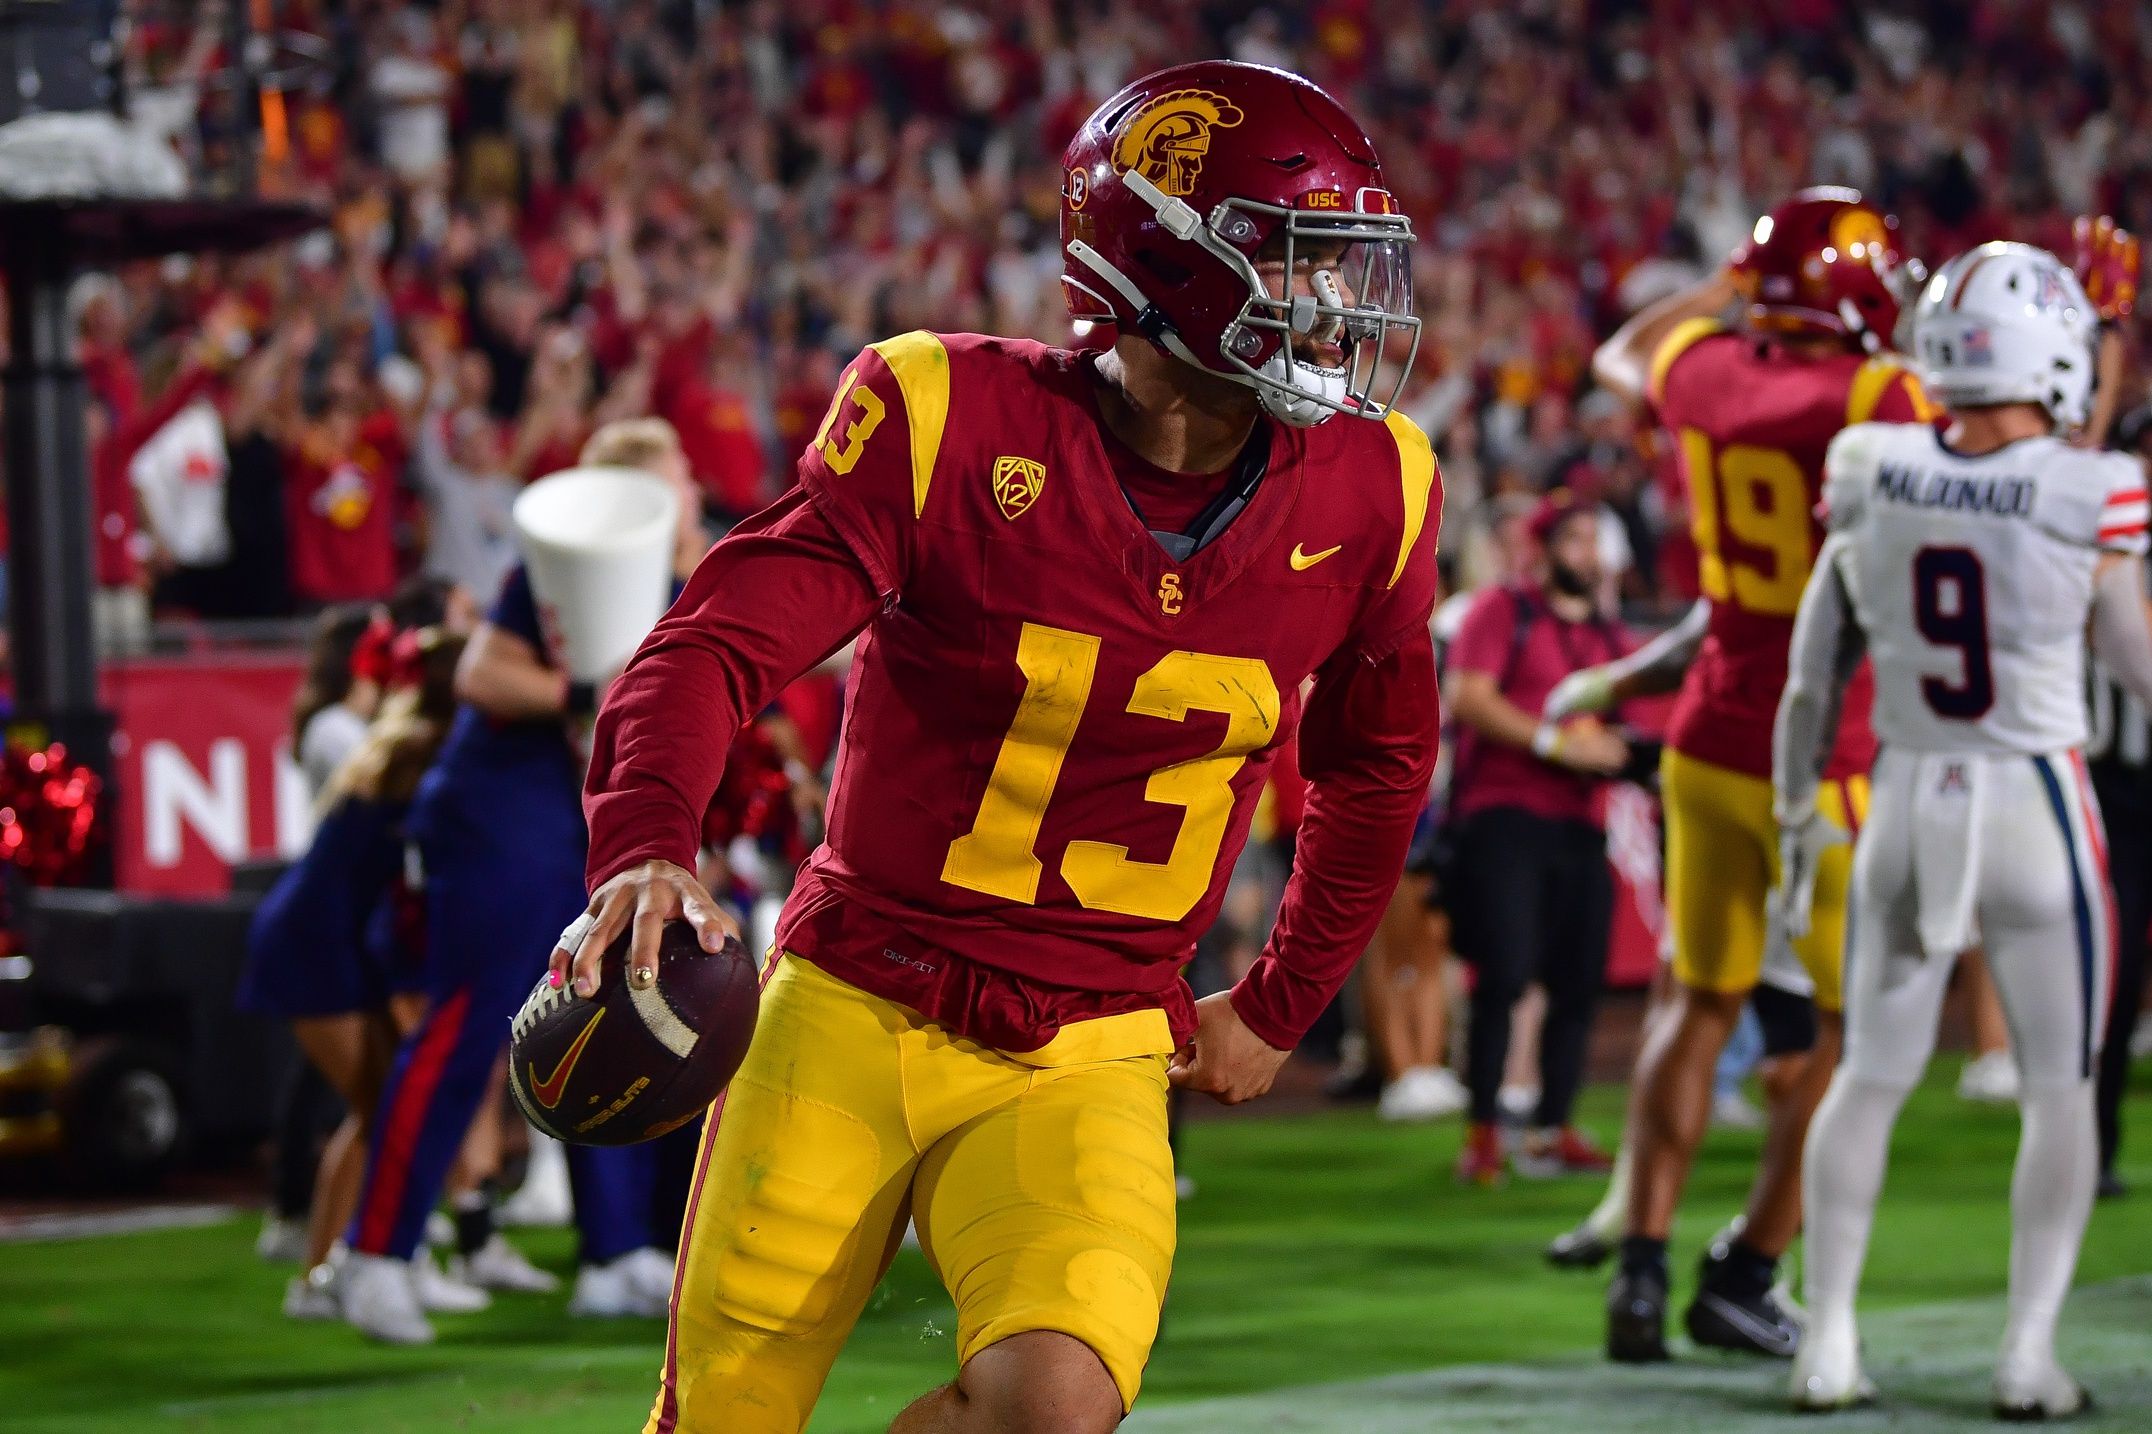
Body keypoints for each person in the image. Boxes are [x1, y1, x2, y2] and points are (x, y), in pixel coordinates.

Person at [553, 61, 1439, 1434]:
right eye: (1297, 257)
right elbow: (711, 645)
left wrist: (1283, 993)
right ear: (1164, 259)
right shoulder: (947, 417)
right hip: (854, 996)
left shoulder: (1379, 486)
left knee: (1055, 1403)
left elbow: (1376, 761)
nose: (1334, 304)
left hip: (1090, 1034)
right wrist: (643, 850)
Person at [1775, 240, 2152, 1417]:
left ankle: (1827, 1342)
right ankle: (2024, 1355)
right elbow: (2137, 661)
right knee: (2058, 1085)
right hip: (2035, 802)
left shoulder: (1869, 462)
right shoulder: (2093, 490)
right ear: (2050, 355)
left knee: (1871, 1080)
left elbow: (1808, 676)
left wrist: (1795, 816)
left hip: (1903, 799)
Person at [1574, 189, 1934, 1362]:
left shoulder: (1710, 372)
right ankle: (1747, 1271)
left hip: (1705, 739)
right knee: (1836, 1037)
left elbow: (1621, 352)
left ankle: (1639, 1271)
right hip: (1824, 761)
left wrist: (1735, 284)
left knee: (1692, 1006)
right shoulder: (1876, 396)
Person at [335, 419, 711, 1344]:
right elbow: (481, 673)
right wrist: (591, 692)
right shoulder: (554, 570)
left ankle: (613, 1250)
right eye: (679, 481)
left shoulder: (671, 581)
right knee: (467, 1029)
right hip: (506, 820)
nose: (695, 495)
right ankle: (373, 1253)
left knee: (611, 1023)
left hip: (576, 823)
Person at [1444, 490, 1632, 1182]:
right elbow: (1468, 697)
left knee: (1579, 981)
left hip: (1583, 822)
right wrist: (1556, 743)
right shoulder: (1503, 609)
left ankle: (1553, 1127)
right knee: (1505, 974)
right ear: (1546, 549)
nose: (1590, 554)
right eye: (1577, 540)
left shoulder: (1609, 633)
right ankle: (1484, 1131)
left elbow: (1634, 714)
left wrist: (1622, 751)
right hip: (1505, 815)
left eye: (1595, 540)